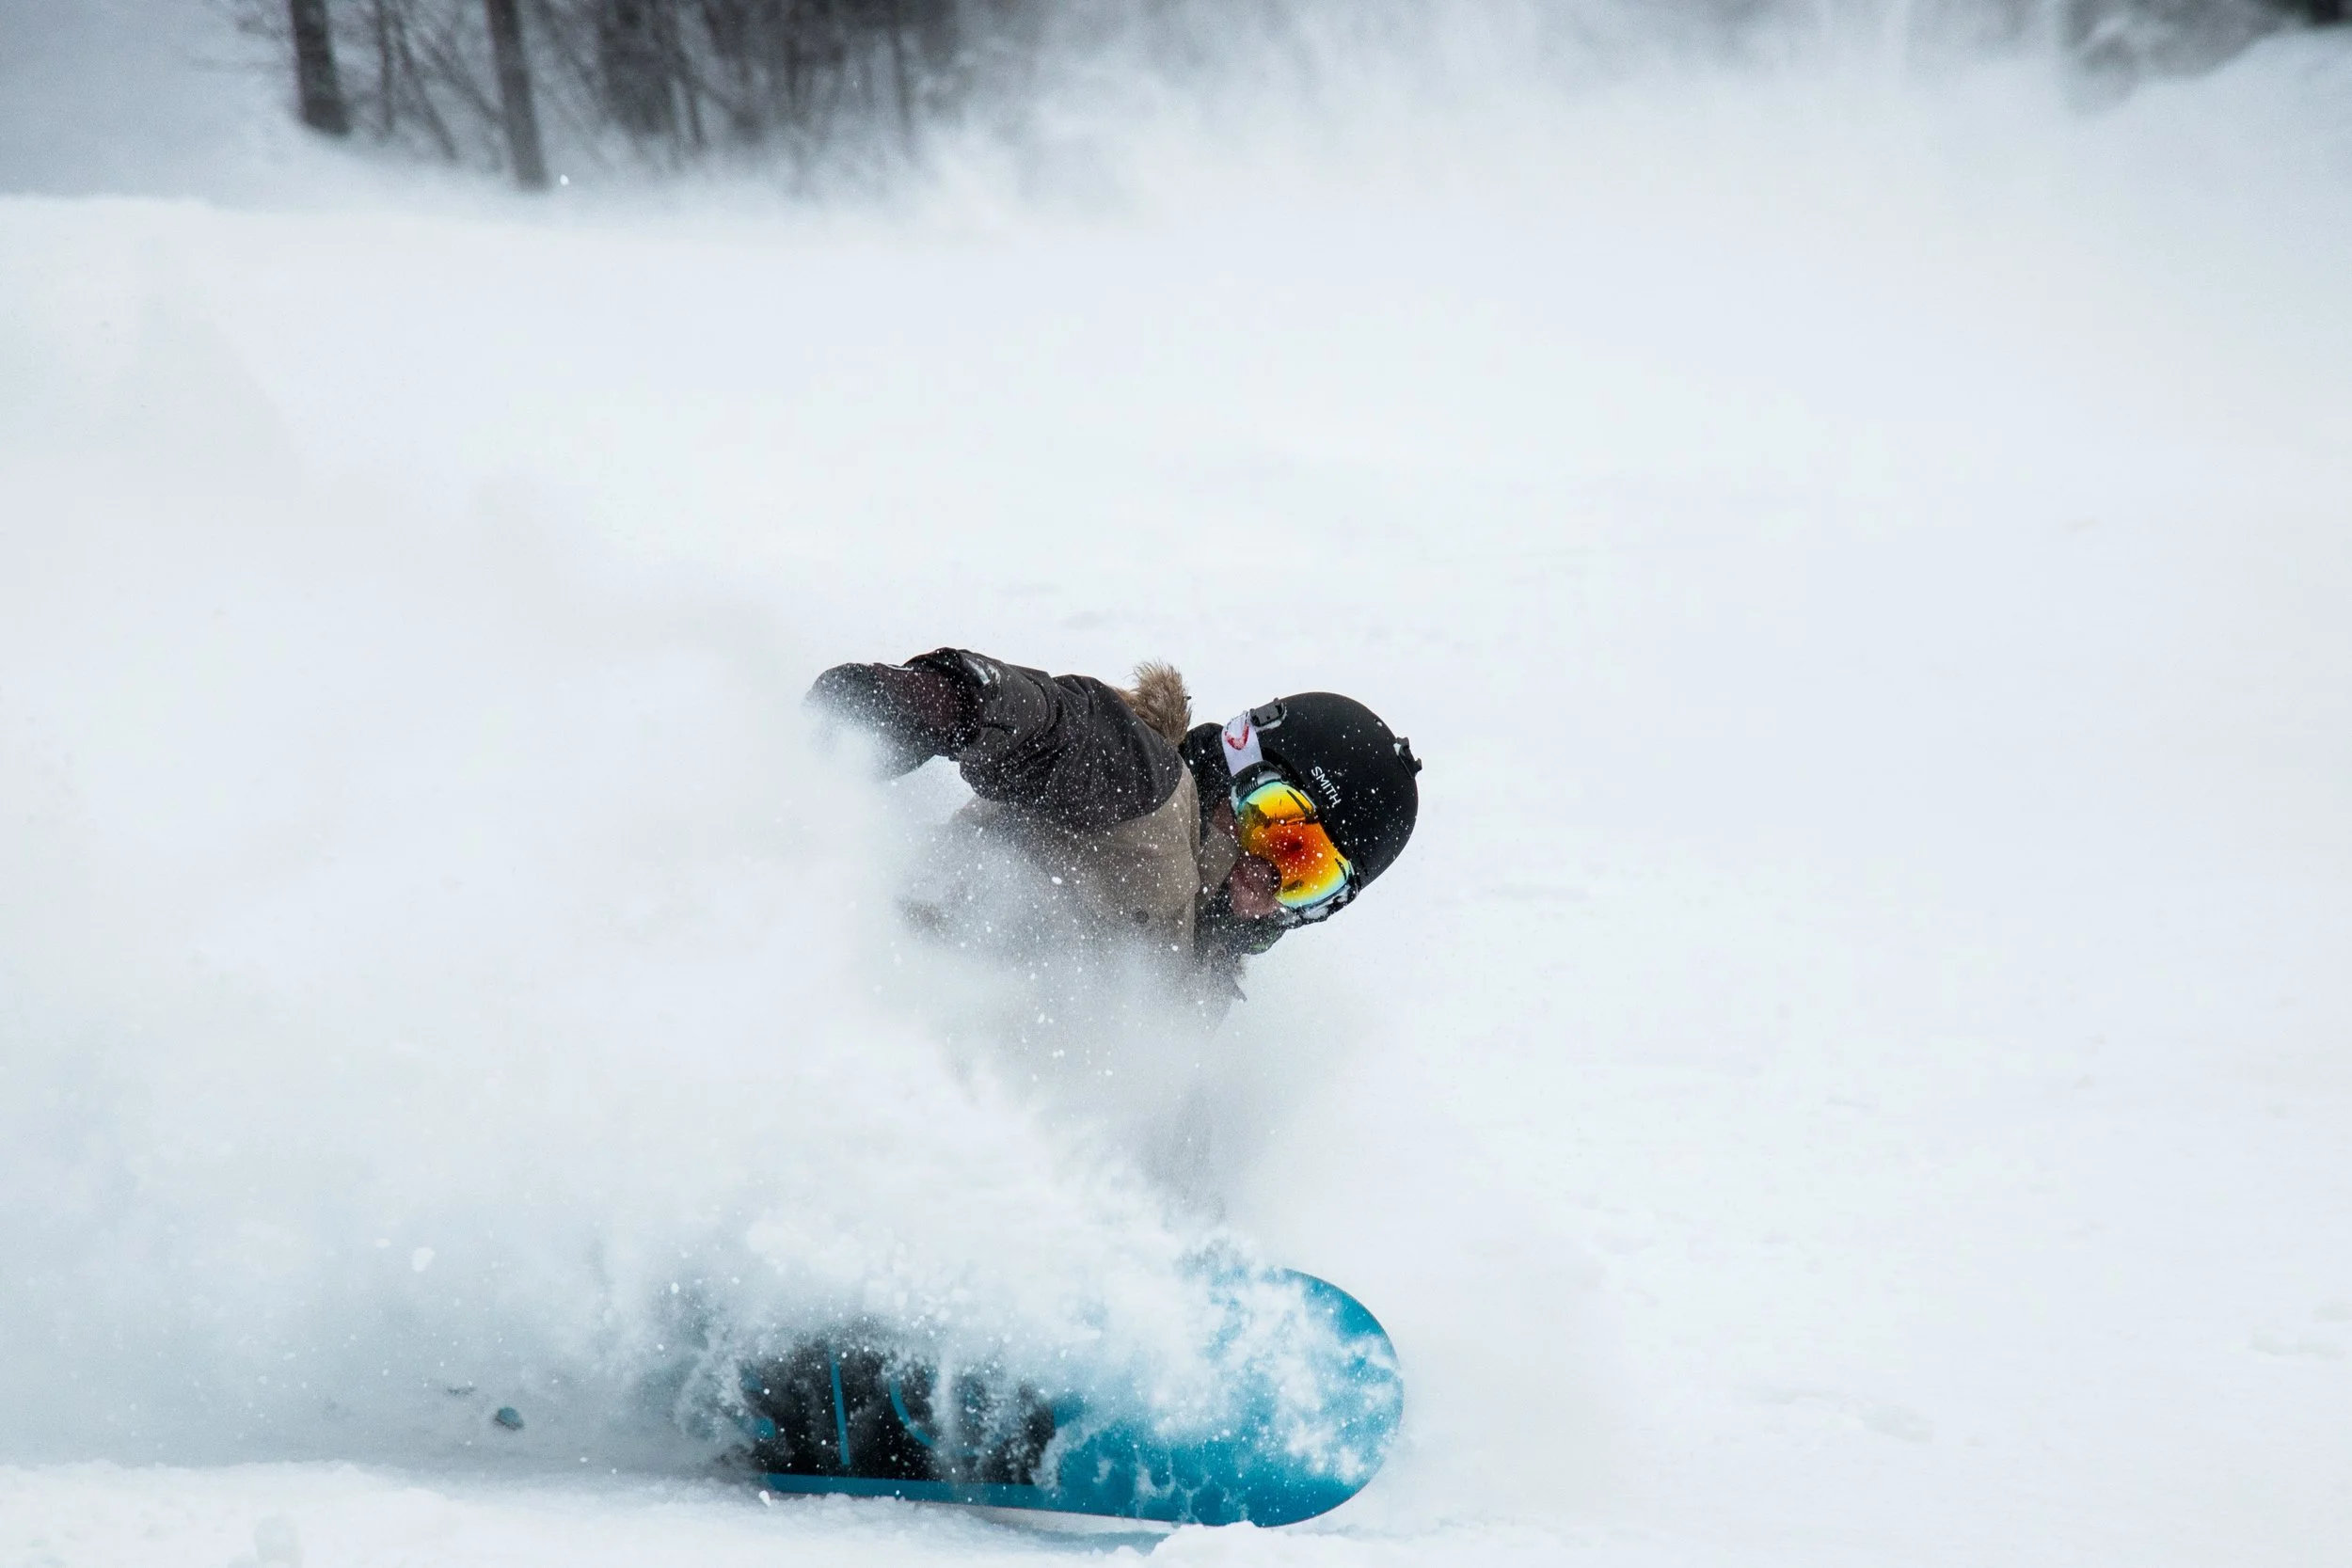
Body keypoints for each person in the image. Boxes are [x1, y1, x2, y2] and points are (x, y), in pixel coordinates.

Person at [806, 649, 1421, 1002]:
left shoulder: (1193, 984)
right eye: (1279, 827)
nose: (1266, 881)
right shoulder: (1145, 790)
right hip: (870, 996)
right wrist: (935, 703)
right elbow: (1057, 726)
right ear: (1238, 759)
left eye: (1308, 876)